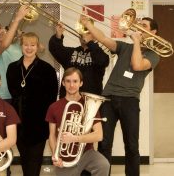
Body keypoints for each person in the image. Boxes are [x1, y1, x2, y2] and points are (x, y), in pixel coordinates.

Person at [80, 15, 160, 176]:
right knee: (104, 143)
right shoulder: (124, 47)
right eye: (138, 24)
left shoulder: (154, 55)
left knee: (131, 145)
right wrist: (88, 23)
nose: (138, 27)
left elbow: (137, 65)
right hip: (108, 99)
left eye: (143, 25)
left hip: (130, 101)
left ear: (153, 32)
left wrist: (136, 41)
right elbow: (102, 38)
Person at [6, 32, 58, 176]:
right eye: (26, 45)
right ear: (21, 46)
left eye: (32, 45)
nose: (29, 48)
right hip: (19, 123)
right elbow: (13, 93)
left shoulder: (47, 69)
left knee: (34, 163)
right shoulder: (12, 68)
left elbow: (52, 100)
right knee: (24, 160)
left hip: (39, 125)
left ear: (37, 46)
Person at [46, 67, 110, 176]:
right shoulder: (54, 107)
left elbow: (99, 135)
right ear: (63, 83)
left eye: (75, 81)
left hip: (86, 152)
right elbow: (52, 136)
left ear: (81, 83)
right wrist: (55, 156)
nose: (71, 85)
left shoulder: (89, 104)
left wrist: (75, 138)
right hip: (65, 156)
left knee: (103, 165)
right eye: (68, 81)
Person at [49, 21, 109, 98]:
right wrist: (58, 36)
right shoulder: (70, 52)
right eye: (82, 33)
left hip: (90, 100)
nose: (84, 35)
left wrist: (90, 43)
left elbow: (103, 61)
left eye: (88, 33)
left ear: (94, 36)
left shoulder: (99, 53)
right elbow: (54, 49)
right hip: (68, 98)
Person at [0, 5, 30, 103]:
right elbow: (5, 44)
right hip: (5, 96)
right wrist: (17, 19)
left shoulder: (18, 46)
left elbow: (40, 48)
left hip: (21, 93)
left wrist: (24, 37)